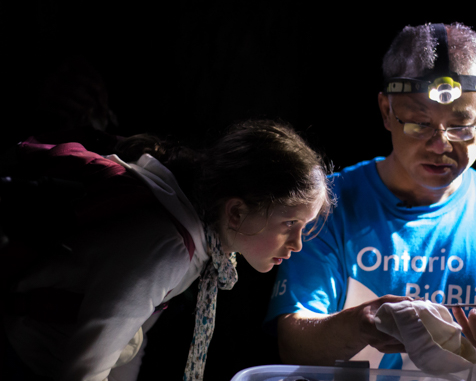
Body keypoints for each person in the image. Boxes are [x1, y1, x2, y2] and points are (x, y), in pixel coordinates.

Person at [265, 22, 476, 380]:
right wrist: (360, 325)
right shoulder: (329, 203)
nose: (440, 145)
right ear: (385, 111)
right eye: (419, 124)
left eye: (462, 126)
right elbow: (292, 344)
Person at [1, 119, 332, 381]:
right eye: (289, 223)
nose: (297, 243)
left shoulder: (192, 227)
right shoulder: (170, 247)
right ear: (235, 212)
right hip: (23, 358)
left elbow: (130, 337)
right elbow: (81, 371)